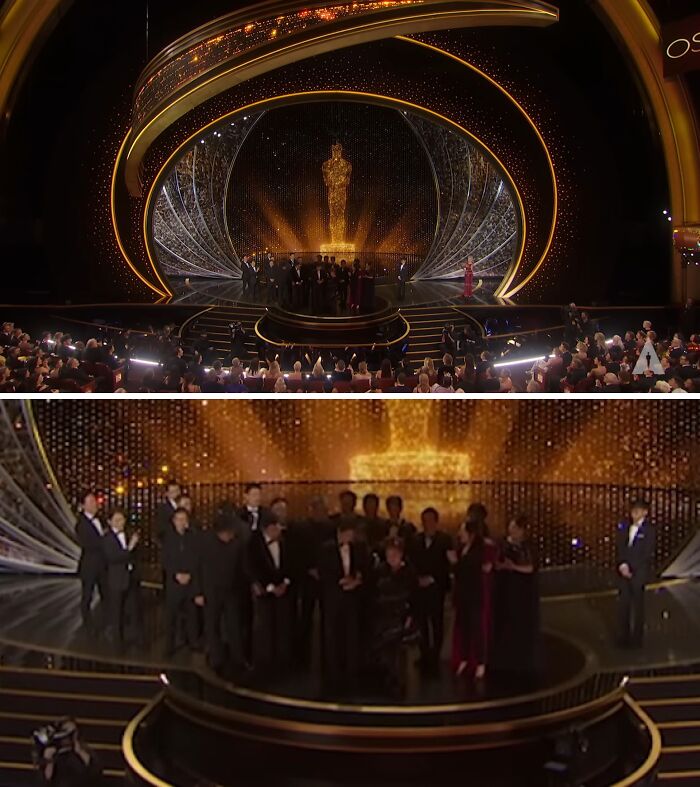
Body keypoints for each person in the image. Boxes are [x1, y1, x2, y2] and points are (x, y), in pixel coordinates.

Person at [318, 521, 368, 693]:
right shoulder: (326, 549)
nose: (350, 538)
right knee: (332, 636)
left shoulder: (359, 549)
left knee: (351, 635)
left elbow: (364, 569)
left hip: (352, 599)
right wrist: (340, 582)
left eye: (352, 534)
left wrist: (356, 581)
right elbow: (322, 573)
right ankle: (333, 674)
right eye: (347, 534)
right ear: (340, 533)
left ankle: (351, 673)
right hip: (333, 598)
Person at [196, 517, 245, 675]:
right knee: (212, 625)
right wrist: (198, 592)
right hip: (211, 591)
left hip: (231, 591)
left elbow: (240, 568)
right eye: (229, 534)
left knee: (234, 625)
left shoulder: (236, 544)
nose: (231, 537)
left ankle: (238, 658)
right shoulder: (205, 543)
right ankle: (216, 659)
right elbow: (197, 568)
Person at [369, 539, 417, 697]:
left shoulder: (409, 572)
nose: (392, 557)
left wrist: (410, 616)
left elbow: (413, 596)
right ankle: (385, 681)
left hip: (400, 618)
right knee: (384, 652)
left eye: (395, 554)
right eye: (389, 554)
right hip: (382, 618)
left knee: (398, 653)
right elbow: (373, 592)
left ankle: (399, 683)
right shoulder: (380, 570)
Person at [494, 515, 539, 676]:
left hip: (524, 592)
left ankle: (524, 661)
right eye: (511, 527)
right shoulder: (502, 545)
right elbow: (496, 564)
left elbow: (531, 567)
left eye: (515, 528)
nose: (511, 531)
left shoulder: (528, 546)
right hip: (506, 590)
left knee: (523, 626)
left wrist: (513, 566)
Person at [248, 514, 294, 673]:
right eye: (275, 528)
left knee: (283, 627)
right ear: (267, 529)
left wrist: (285, 583)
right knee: (265, 628)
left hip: (283, 592)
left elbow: (291, 563)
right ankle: (265, 664)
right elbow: (252, 567)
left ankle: (283, 662)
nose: (278, 532)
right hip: (265, 593)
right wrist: (269, 587)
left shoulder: (285, 542)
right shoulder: (254, 544)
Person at [411, 507, 451, 672]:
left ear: (436, 521)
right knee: (421, 622)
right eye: (424, 520)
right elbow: (411, 561)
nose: (427, 524)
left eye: (430, 520)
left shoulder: (445, 540)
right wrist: (417, 579)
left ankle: (435, 655)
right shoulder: (415, 539)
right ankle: (425, 654)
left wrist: (432, 578)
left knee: (436, 622)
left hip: (436, 587)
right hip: (419, 589)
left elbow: (447, 564)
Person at [450, 520, 489, 679]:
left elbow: (468, 569)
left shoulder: (477, 551)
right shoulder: (461, 549)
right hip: (462, 595)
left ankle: (480, 662)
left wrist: (455, 562)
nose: (460, 535)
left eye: (463, 531)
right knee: (464, 628)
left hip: (473, 595)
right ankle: (464, 659)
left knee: (475, 628)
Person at [615, 499, 655, 648]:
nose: (634, 514)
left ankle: (637, 639)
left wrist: (632, 568)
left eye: (637, 511)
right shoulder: (625, 527)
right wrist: (622, 564)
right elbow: (620, 547)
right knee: (623, 606)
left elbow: (647, 553)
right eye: (633, 511)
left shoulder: (649, 530)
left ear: (645, 512)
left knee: (638, 606)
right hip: (623, 571)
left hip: (638, 573)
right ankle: (623, 637)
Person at [101, 509, 142, 646]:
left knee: (134, 609)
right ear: (110, 522)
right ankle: (117, 641)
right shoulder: (107, 538)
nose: (120, 523)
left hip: (131, 577)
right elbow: (113, 558)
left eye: (122, 519)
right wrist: (129, 548)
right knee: (117, 612)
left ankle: (136, 638)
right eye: (117, 520)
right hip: (116, 579)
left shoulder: (129, 534)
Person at [162, 507, 199, 656]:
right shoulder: (168, 538)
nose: (181, 522)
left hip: (190, 582)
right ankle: (169, 645)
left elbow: (196, 558)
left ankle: (192, 642)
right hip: (174, 582)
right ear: (173, 521)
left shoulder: (193, 537)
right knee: (171, 616)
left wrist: (189, 574)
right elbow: (165, 560)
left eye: (184, 519)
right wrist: (176, 574)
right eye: (179, 519)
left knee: (191, 615)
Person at [35, 718, 103, 787]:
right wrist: (49, 760)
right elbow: (45, 781)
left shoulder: (83, 751)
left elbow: (95, 773)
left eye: (73, 733)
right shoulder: (52, 754)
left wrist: (80, 751)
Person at [75, 492, 107, 632]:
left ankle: (106, 621)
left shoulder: (101, 520)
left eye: (95, 501)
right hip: (90, 566)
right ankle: (88, 625)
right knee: (87, 596)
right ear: (83, 506)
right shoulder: (81, 524)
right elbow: (90, 544)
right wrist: (106, 541)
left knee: (106, 594)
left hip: (103, 565)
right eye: (91, 502)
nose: (95, 504)